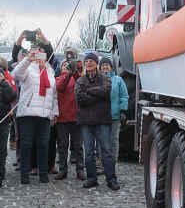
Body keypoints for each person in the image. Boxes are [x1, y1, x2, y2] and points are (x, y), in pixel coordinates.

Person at [11, 46, 59, 184]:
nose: (39, 56)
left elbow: (54, 94)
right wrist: (28, 59)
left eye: (42, 53)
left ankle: (43, 173)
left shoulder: (50, 71)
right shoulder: (28, 67)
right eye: (37, 53)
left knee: (43, 144)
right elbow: (15, 74)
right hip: (28, 113)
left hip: (44, 114)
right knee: (26, 144)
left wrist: (54, 112)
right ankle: (24, 174)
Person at [75, 53, 119, 190]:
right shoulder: (80, 81)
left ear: (96, 63)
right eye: (86, 61)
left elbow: (106, 91)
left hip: (103, 120)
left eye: (91, 61)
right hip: (86, 121)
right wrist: (97, 95)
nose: (88, 63)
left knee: (106, 150)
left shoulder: (105, 78)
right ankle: (91, 178)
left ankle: (111, 179)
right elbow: (80, 98)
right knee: (88, 152)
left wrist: (89, 91)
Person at [54, 59, 83, 181]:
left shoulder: (76, 78)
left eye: (68, 65)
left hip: (76, 117)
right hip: (62, 118)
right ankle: (62, 170)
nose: (66, 67)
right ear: (61, 69)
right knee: (62, 146)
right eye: (64, 65)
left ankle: (80, 170)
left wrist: (74, 70)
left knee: (78, 146)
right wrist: (68, 74)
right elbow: (60, 87)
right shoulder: (58, 79)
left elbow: (79, 81)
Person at [99, 58, 129, 164]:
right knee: (102, 141)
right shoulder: (97, 80)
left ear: (111, 67)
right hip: (101, 116)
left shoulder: (118, 80)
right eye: (103, 65)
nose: (105, 67)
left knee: (113, 141)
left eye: (107, 65)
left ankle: (113, 163)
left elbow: (124, 96)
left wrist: (123, 110)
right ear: (100, 68)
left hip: (115, 116)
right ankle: (104, 164)